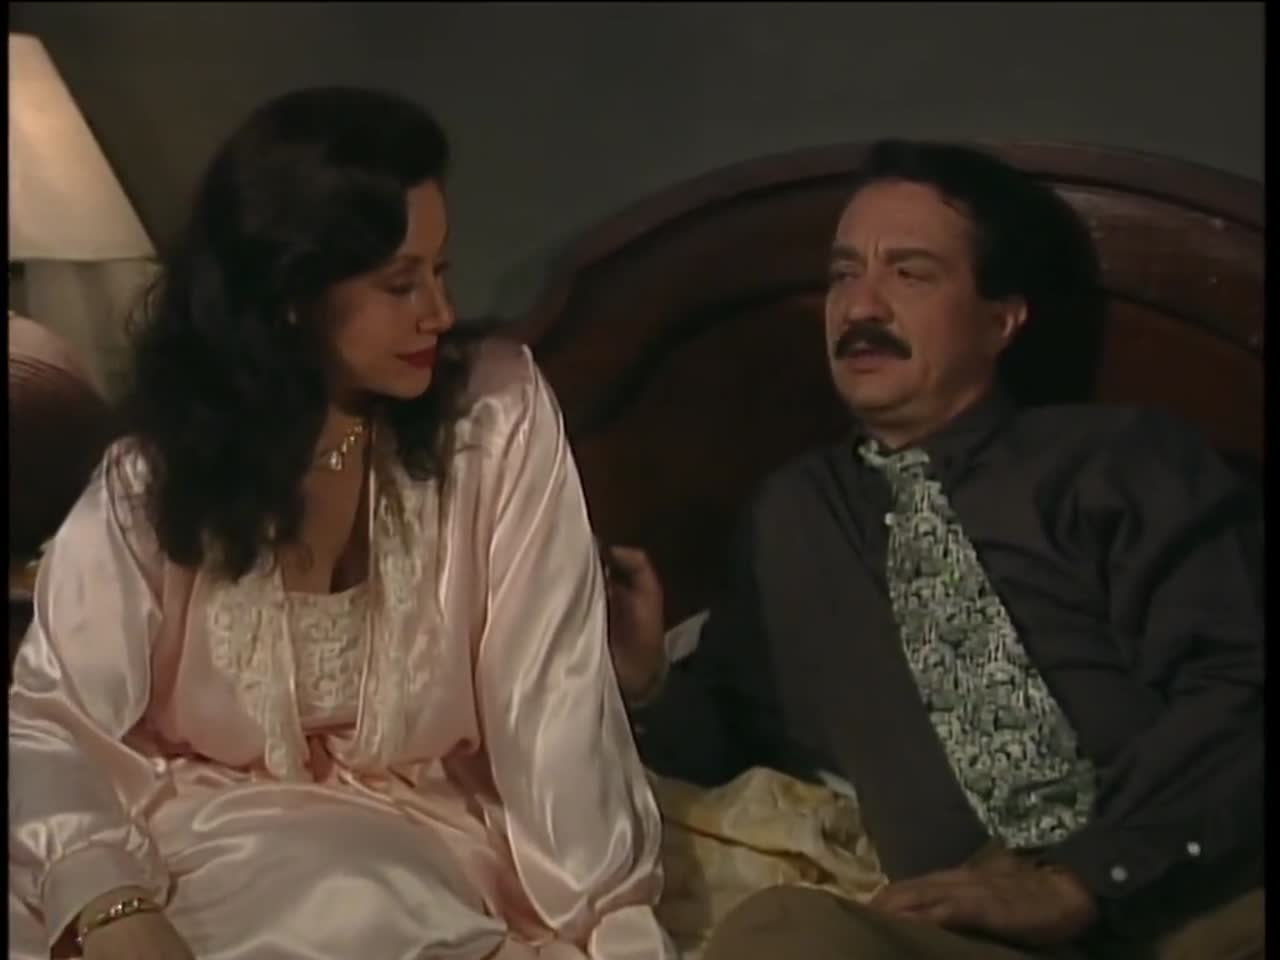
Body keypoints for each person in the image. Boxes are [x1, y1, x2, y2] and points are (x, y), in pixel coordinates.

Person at [9, 87, 674, 960]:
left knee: (355, 898)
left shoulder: (496, 417)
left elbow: (551, 704)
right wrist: (112, 906)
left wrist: (612, 923)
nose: (439, 312)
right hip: (189, 838)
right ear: (292, 293)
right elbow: (49, 720)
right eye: (400, 284)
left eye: (441, 271)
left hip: (411, 856)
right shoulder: (156, 475)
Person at [605, 140, 1263, 959]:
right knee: (785, 935)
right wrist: (649, 681)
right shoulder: (793, 516)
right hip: (976, 933)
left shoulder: (1120, 460)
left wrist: (1084, 878)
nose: (860, 306)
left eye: (910, 274)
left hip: (1187, 892)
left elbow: (1242, 686)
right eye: (843, 274)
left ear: (1001, 319)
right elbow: (731, 744)